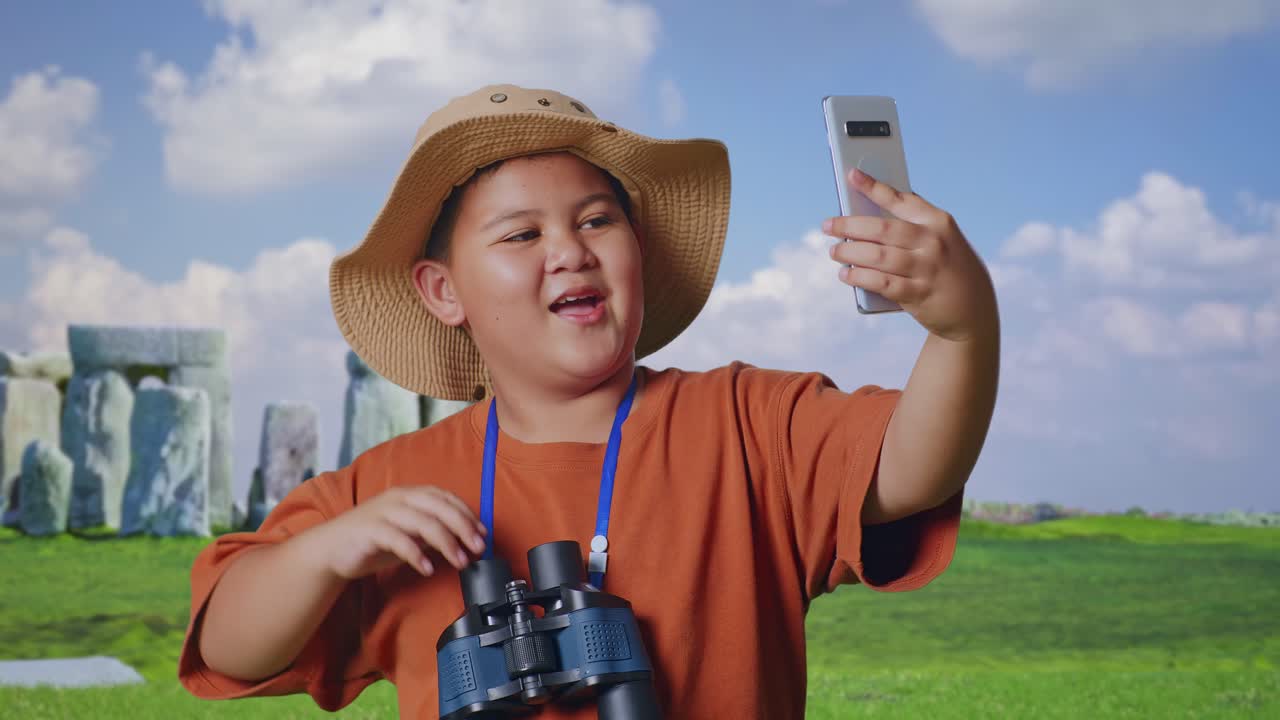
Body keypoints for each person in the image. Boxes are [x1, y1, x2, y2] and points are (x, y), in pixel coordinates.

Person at [178, 84, 999, 719]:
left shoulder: (748, 425)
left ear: (637, 251)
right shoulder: (388, 492)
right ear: (441, 290)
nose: (570, 251)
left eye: (598, 220)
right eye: (521, 235)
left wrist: (963, 330)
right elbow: (228, 645)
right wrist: (324, 550)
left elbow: (907, 470)